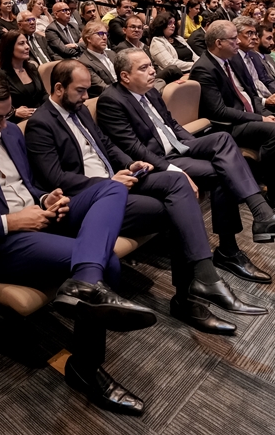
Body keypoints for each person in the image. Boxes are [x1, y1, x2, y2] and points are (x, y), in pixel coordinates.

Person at [0, 69, 156, 415]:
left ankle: (84, 282)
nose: (4, 124)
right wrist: (11, 221)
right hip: (2, 243)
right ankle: (86, 368)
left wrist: (47, 198)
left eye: (7, 115)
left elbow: (26, 185)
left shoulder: (10, 131)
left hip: (39, 219)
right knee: (107, 261)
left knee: (110, 188)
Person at [25, 59, 255, 333]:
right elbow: (56, 178)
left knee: (176, 182)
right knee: (176, 208)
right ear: (59, 88)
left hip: (117, 182)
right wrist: (108, 183)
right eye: (80, 91)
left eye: (87, 90)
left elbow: (106, 145)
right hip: (91, 201)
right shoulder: (40, 123)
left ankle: (202, 280)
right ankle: (191, 294)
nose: (86, 97)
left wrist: (129, 164)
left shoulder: (79, 109)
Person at [97, 50, 275, 283]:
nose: (152, 71)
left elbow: (172, 124)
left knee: (222, 139)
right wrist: (176, 170)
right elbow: (134, 148)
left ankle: (261, 214)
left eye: (150, 65)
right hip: (157, 163)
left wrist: (196, 147)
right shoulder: (111, 101)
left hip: (178, 148)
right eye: (143, 68)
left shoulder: (151, 92)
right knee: (221, 174)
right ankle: (234, 246)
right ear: (125, 76)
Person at [189, 20, 275, 208]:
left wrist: (266, 114)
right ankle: (274, 194)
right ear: (219, 43)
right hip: (231, 125)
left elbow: (252, 94)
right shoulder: (204, 68)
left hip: (252, 115)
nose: (238, 42)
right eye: (233, 39)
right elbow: (219, 111)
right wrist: (261, 119)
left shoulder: (232, 60)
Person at [0, 30, 45, 122]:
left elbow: (43, 94)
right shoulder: (0, 75)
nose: (27, 47)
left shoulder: (32, 68)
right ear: (9, 47)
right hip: (21, 121)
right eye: (21, 43)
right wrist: (13, 112)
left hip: (42, 114)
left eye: (27, 43)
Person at [77, 20, 117, 98]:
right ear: (88, 38)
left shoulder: (112, 54)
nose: (105, 37)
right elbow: (101, 87)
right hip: (106, 98)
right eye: (100, 34)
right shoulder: (84, 62)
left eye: (106, 34)